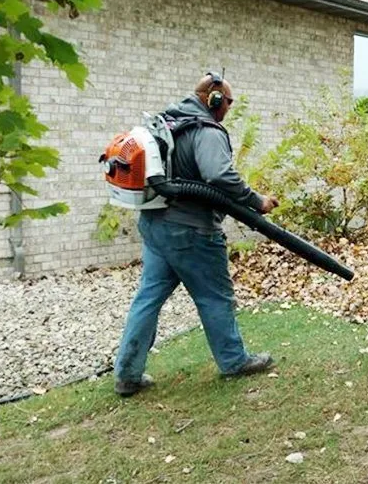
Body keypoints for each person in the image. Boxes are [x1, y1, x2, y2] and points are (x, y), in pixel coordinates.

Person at [113, 72, 279, 397]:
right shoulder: (206, 130)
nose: (228, 109)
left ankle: (127, 374)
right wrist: (256, 200)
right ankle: (234, 361)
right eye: (228, 103)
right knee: (215, 297)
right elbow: (219, 174)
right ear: (214, 100)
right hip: (191, 232)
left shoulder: (165, 123)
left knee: (148, 298)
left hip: (155, 226)